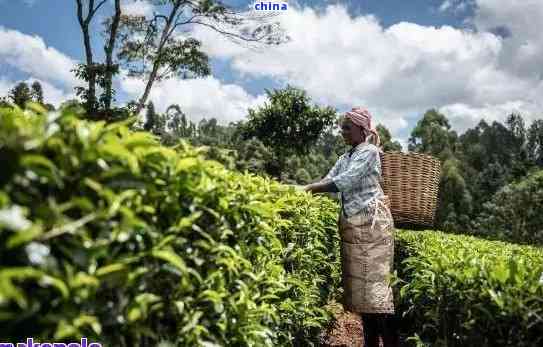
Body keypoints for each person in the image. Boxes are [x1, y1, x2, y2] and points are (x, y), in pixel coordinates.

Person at [303, 107, 400, 347]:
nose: (342, 132)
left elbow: (345, 181)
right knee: (363, 294)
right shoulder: (346, 156)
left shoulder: (369, 152)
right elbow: (329, 179)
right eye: (341, 128)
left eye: (347, 127)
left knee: (377, 292)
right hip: (355, 228)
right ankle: (370, 343)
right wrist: (304, 190)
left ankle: (389, 342)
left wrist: (308, 189)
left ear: (361, 129)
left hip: (372, 225)